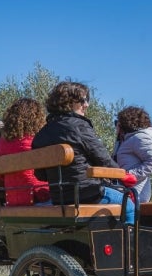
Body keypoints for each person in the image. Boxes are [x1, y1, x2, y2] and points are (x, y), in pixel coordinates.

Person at [31, 81, 136, 224]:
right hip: (88, 193)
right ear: (69, 102)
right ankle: (130, 244)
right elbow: (103, 158)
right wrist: (123, 175)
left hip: (59, 197)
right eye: (83, 100)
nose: (86, 104)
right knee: (129, 204)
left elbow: (40, 175)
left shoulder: (42, 134)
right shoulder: (79, 126)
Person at [0, 98, 50, 206]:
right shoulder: (38, 140)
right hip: (40, 196)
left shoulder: (2, 143)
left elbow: (0, 176)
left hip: (13, 199)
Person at [112, 106, 152, 203]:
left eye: (117, 123)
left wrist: (131, 175)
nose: (116, 126)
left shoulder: (139, 138)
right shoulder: (125, 140)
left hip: (135, 192)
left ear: (125, 124)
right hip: (124, 189)